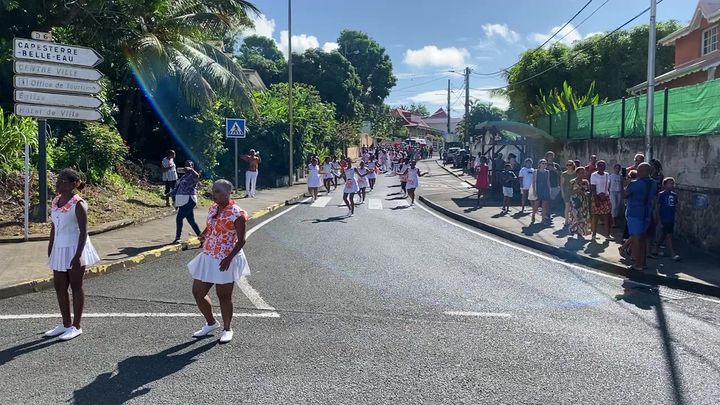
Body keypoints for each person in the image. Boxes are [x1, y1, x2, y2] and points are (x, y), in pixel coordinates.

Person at [187, 180, 249, 343]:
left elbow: (241, 240)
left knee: (224, 295)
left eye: (217, 191)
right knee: (198, 292)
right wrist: (203, 234)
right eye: (213, 191)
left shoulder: (237, 214)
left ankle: (227, 329)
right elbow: (211, 227)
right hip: (208, 255)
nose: (213, 194)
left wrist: (229, 258)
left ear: (227, 193)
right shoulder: (213, 208)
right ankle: (211, 323)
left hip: (225, 258)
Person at [45, 169, 101, 341]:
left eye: (62, 181)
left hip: (75, 248)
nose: (58, 183)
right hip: (59, 248)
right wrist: (51, 247)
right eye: (57, 180)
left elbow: (84, 232)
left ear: (73, 184)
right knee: (59, 286)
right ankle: (65, 323)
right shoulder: (55, 201)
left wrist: (77, 256)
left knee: (75, 286)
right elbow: (54, 227)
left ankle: (76, 326)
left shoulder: (79, 204)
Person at [624, 163, 657, 271]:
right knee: (643, 238)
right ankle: (643, 263)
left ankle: (637, 264)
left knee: (636, 239)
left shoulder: (635, 184)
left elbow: (624, 195)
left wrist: (622, 184)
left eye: (638, 170)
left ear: (643, 171)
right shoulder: (654, 183)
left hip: (635, 213)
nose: (637, 172)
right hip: (647, 213)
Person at [172, 160, 202, 244]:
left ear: (192, 167)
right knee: (191, 221)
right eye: (186, 165)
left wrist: (191, 170)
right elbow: (177, 188)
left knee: (179, 218)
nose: (186, 167)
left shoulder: (192, 176)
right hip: (182, 201)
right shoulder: (183, 177)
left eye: (189, 165)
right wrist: (170, 194)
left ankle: (178, 238)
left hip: (189, 200)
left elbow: (197, 176)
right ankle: (202, 238)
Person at [651, 178, 680, 261]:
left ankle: (655, 248)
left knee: (664, 234)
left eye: (672, 183)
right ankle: (672, 253)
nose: (671, 185)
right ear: (664, 185)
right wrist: (658, 217)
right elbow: (658, 206)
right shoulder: (661, 194)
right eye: (669, 183)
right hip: (664, 217)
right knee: (668, 235)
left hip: (671, 217)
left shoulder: (674, 195)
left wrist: (676, 217)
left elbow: (675, 207)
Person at [590, 160, 612, 239]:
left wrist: (605, 194)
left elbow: (607, 187)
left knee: (607, 216)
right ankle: (594, 234)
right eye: (601, 166)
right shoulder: (594, 175)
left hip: (605, 197)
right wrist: (596, 200)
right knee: (596, 216)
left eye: (604, 165)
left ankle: (607, 235)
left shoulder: (607, 175)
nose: (603, 167)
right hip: (596, 197)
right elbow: (593, 188)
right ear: (597, 167)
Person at [568, 167, 591, 237]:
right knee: (576, 216)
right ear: (577, 173)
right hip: (575, 201)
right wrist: (577, 191)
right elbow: (569, 192)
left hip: (584, 202)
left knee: (583, 217)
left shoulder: (586, 182)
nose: (582, 174)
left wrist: (587, 193)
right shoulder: (572, 181)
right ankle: (572, 228)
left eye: (583, 173)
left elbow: (589, 191)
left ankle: (581, 232)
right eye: (580, 173)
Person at [533, 159, 552, 224]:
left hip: (545, 189)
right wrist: (534, 191)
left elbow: (548, 181)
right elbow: (534, 182)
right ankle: (533, 214)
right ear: (540, 164)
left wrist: (549, 190)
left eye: (545, 163)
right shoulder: (536, 171)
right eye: (543, 163)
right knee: (537, 204)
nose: (544, 165)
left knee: (544, 205)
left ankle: (543, 219)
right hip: (538, 188)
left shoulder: (547, 172)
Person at [560, 161, 576, 227]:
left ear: (573, 165)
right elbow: (561, 185)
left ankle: (573, 220)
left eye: (570, 165)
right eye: (567, 165)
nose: (569, 166)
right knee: (567, 206)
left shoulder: (575, 173)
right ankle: (566, 220)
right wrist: (562, 193)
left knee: (573, 207)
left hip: (574, 192)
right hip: (567, 192)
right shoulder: (564, 174)